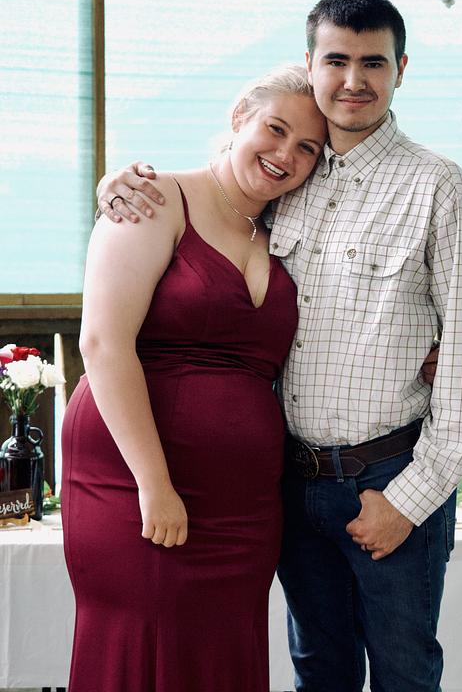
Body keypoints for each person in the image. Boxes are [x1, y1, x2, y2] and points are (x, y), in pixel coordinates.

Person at [98, 0, 462, 692]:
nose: (353, 80)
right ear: (310, 65)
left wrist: (408, 500)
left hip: (388, 478)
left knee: (406, 674)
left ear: (401, 69)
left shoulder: (440, 188)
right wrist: (117, 184)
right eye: (336, 60)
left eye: (373, 63)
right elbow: (208, 205)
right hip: (288, 483)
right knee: (318, 671)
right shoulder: (290, 182)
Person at [61, 65, 327, 692]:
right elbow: (102, 343)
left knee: (224, 648)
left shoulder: (290, 229)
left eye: (307, 148)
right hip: (135, 482)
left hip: (245, 506)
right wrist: (154, 484)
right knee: (144, 643)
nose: (285, 154)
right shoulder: (153, 198)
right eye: (275, 129)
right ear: (239, 117)